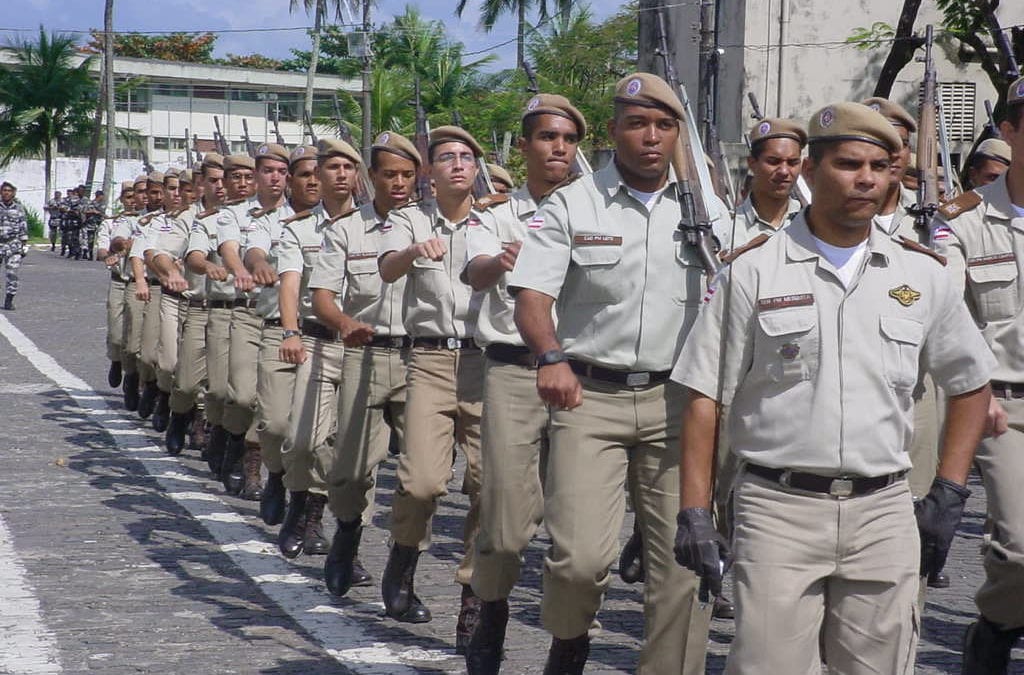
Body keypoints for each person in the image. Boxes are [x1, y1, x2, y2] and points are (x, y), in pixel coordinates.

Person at [672, 101, 996, 674]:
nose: (867, 179)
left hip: (884, 510)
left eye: (881, 166)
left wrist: (949, 490)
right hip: (778, 509)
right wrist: (695, 512)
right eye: (849, 164)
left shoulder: (921, 273)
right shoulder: (752, 271)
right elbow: (705, 396)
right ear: (810, 170)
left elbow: (970, 383)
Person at [507, 72, 713, 674]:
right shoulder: (574, 202)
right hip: (587, 399)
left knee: (683, 567)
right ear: (615, 131)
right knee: (578, 560)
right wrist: (550, 357)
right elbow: (532, 296)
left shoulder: (707, 210)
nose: (651, 137)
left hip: (678, 403)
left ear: (678, 135)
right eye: (637, 124)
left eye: (664, 125)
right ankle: (569, 638)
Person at [461, 93, 585, 671]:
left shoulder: (596, 209)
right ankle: (489, 611)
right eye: (545, 137)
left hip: (584, 379)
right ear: (526, 145)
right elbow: (474, 269)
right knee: (506, 522)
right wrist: (502, 263)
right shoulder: (497, 213)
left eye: (567, 139)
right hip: (513, 371)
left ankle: (569, 639)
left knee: (576, 528)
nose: (557, 148)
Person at [377, 125, 485, 643]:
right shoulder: (408, 219)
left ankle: (473, 595)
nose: (458, 164)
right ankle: (402, 558)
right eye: (447, 158)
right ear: (430, 173)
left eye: (467, 156)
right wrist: (414, 252)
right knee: (422, 481)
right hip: (431, 361)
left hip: (490, 366)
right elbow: (387, 268)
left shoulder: (503, 220)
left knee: (489, 486)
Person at [938, 75, 1024, 673]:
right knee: (1019, 546)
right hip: (1003, 405)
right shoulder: (964, 224)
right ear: (1010, 130)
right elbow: (944, 317)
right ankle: (996, 624)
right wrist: (974, 390)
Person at [312, 130, 419, 598]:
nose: (399, 183)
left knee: (422, 481)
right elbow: (323, 298)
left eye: (408, 175)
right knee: (353, 470)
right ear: (370, 177)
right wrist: (344, 323)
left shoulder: (430, 226)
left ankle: (404, 565)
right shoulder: (346, 230)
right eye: (389, 174)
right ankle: (348, 536)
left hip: (422, 359)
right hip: (366, 354)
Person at [217, 144, 293, 498]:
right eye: (267, 170)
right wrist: (241, 272)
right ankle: (235, 441)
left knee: (274, 406)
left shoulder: (300, 213)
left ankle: (258, 466)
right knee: (245, 396)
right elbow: (231, 248)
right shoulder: (237, 214)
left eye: (281, 170)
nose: (274, 177)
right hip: (248, 311)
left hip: (288, 319)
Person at [724, 118, 805, 250]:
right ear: (752, 163)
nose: (784, 171)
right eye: (773, 161)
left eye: (792, 163)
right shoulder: (727, 227)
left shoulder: (810, 225)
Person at [96, 181, 137, 387]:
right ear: (122, 199)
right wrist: (108, 256)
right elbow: (102, 249)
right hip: (120, 282)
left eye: (136, 195)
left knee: (136, 335)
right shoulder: (111, 223)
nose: (133, 201)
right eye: (128, 197)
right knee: (116, 332)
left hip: (141, 284)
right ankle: (115, 359)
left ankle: (134, 375)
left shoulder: (149, 220)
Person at [0, 181, 29, 311]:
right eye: (4, 190)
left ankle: (9, 300)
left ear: (13, 193)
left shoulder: (19, 208)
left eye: (9, 190)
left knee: (12, 273)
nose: (6, 192)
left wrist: (24, 245)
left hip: (13, 245)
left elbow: (23, 227)